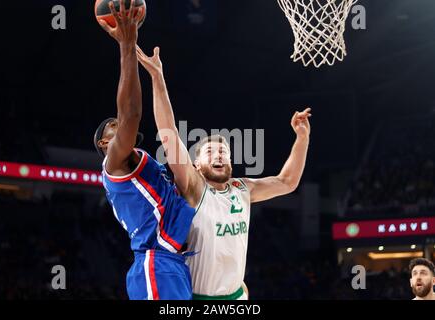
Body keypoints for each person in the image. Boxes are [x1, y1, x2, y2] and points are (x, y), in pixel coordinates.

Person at [136, 45, 311, 300]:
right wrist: (157, 76)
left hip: (237, 295)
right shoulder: (193, 187)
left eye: (223, 152)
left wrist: (302, 138)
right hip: (198, 297)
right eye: (210, 152)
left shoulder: (243, 188)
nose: (219, 155)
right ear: (196, 164)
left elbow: (287, 181)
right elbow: (169, 133)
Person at [94, 0, 195, 300]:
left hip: (174, 263)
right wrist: (128, 44)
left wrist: (157, 78)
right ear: (104, 144)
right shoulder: (114, 164)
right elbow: (131, 115)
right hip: (156, 263)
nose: (119, 125)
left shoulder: (144, 167)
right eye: (112, 125)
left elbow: (170, 138)